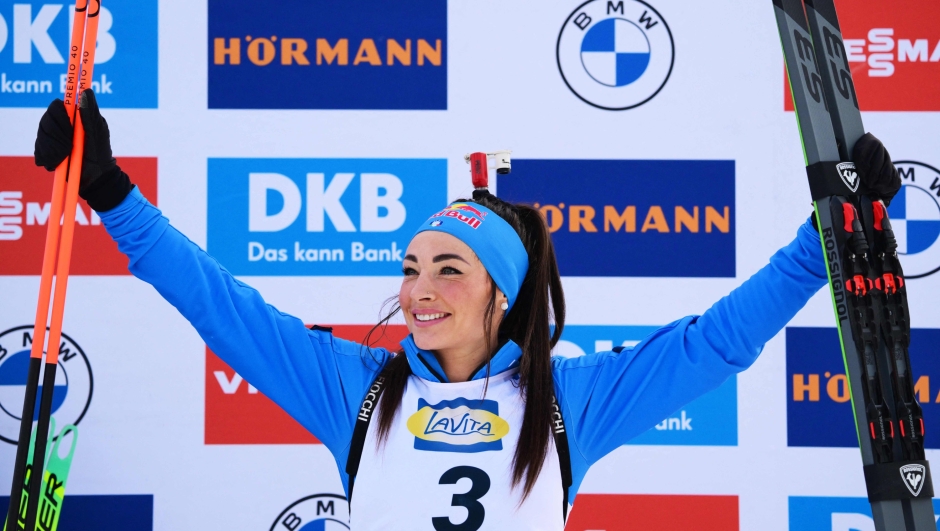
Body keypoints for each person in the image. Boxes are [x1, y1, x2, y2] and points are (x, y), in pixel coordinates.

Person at [33, 89, 901, 531]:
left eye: (449, 269)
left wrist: (824, 240)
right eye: (412, 267)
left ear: (501, 290)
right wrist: (110, 190)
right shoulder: (359, 392)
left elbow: (715, 344)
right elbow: (219, 306)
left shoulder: (569, 403)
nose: (419, 289)